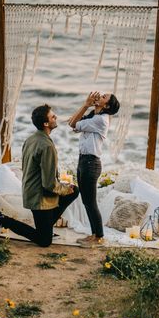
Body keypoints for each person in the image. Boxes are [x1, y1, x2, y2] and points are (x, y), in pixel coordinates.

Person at [0, 104, 79, 247]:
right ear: (46, 123)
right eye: (52, 116)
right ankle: (2, 220)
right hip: (40, 199)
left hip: (30, 191)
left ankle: (46, 225)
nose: (55, 117)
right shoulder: (47, 146)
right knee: (44, 241)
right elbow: (49, 184)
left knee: (74, 190)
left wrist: (65, 188)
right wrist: (64, 189)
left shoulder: (31, 139)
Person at [68, 91, 120, 247]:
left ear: (107, 105)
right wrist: (87, 107)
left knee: (90, 202)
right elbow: (73, 123)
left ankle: (99, 237)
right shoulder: (93, 117)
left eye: (104, 97)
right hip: (84, 161)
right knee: (86, 202)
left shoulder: (101, 120)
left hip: (91, 163)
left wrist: (85, 105)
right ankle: (93, 234)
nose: (100, 97)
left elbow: (72, 123)